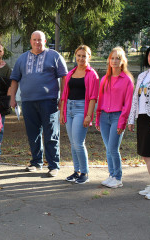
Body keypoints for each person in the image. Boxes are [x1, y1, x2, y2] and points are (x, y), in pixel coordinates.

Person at [10, 30, 68, 177]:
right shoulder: (22, 58)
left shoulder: (54, 56)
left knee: (51, 133)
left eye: (40, 40)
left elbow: (64, 78)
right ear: (30, 41)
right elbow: (15, 79)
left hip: (48, 101)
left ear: (45, 41)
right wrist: (12, 98)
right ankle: (36, 162)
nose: (37, 42)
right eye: (34, 39)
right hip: (28, 102)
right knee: (33, 134)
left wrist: (63, 98)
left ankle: (53, 165)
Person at [60, 45, 99, 184]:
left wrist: (89, 116)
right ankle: (76, 171)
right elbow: (65, 94)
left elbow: (93, 97)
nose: (81, 58)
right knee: (72, 143)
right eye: (79, 55)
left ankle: (85, 172)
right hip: (69, 107)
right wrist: (62, 112)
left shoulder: (92, 74)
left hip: (82, 109)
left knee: (78, 142)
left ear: (89, 57)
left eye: (84, 55)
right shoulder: (71, 73)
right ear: (75, 56)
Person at [96, 47, 134, 188]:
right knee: (108, 148)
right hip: (105, 116)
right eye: (112, 58)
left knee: (113, 148)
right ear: (109, 61)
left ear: (123, 61)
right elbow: (101, 100)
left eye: (118, 58)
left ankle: (118, 178)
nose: (115, 61)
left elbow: (128, 104)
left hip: (118, 116)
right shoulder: (105, 79)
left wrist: (122, 122)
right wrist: (98, 117)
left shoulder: (127, 80)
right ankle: (111, 175)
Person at [128, 46, 150, 200]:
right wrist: (131, 119)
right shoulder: (142, 75)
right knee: (147, 154)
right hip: (142, 117)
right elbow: (135, 98)